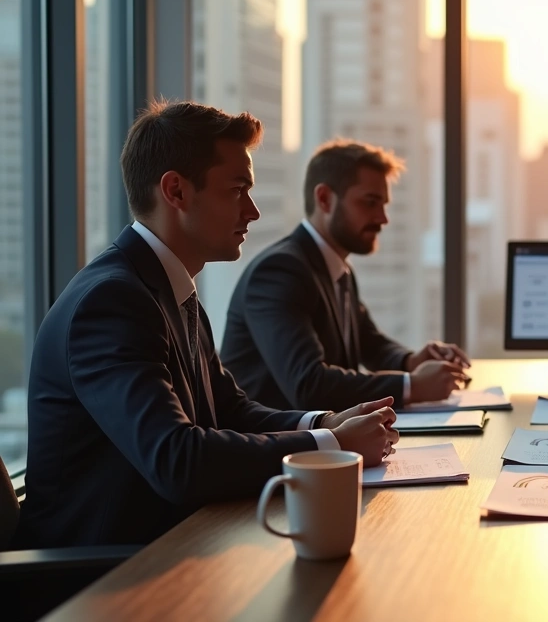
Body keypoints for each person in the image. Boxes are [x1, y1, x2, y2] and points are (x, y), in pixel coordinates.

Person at [16, 101, 399, 548]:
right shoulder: (111, 301)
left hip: (171, 546)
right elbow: (176, 460)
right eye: (238, 189)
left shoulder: (169, 289)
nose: (252, 211)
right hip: (97, 578)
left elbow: (231, 410)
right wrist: (328, 444)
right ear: (176, 192)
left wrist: (325, 419)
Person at [221, 140, 469, 411]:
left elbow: (370, 344)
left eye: (384, 205)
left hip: (324, 442)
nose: (383, 218)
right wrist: (414, 386)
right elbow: (308, 384)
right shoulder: (279, 271)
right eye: (370, 202)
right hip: (275, 447)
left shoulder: (338, 269)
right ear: (325, 198)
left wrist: (412, 361)